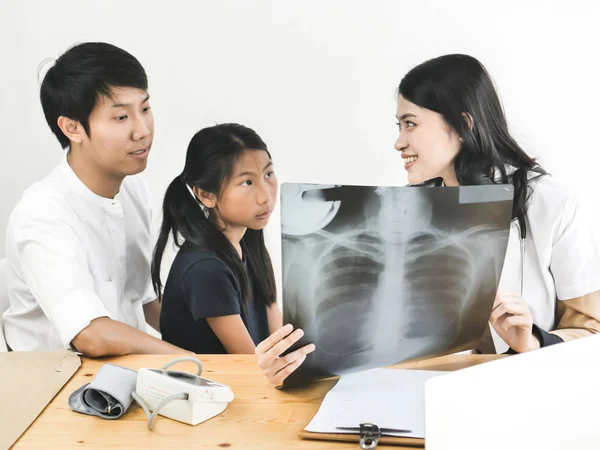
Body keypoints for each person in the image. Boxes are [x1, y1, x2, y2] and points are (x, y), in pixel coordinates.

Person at [393, 54, 600, 353]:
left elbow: (592, 331)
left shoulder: (555, 206)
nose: (398, 142)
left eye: (410, 124)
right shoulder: (406, 209)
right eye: (398, 126)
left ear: (463, 124)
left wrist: (532, 342)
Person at [3, 42, 188, 356]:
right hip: (55, 385)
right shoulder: (42, 214)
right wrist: (190, 361)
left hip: (127, 370)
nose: (142, 130)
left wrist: (221, 352)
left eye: (144, 109)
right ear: (72, 128)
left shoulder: (133, 189)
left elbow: (141, 299)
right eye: (120, 118)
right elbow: (89, 333)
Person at [152, 123, 315, 373]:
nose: (266, 196)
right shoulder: (206, 269)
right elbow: (252, 367)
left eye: (268, 175)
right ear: (206, 195)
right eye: (247, 182)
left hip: (256, 386)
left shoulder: (249, 240)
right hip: (221, 398)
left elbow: (279, 337)